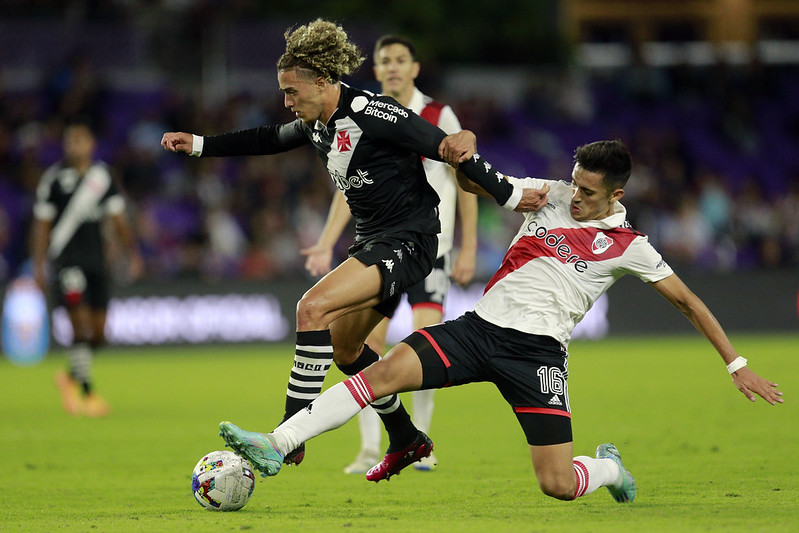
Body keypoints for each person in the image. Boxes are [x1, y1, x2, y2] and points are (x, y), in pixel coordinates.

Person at [218, 139, 783, 501]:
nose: (575, 196)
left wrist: (737, 365)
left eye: (588, 191)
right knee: (380, 373)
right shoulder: (550, 194)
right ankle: (276, 442)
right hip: (478, 329)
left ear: (616, 194)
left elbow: (689, 302)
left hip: (537, 357)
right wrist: (465, 161)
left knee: (557, 484)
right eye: (574, 182)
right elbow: (483, 184)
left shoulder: (631, 246)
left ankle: (610, 470)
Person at [161, 19, 547, 468]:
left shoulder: (372, 111)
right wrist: (199, 144)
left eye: (292, 92)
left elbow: (450, 149)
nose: (286, 102)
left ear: (322, 82)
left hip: (410, 240)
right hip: (374, 242)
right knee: (346, 350)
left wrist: (511, 194)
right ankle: (406, 437)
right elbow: (267, 138)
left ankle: (286, 437)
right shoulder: (316, 124)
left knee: (311, 308)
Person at [301, 34, 478, 474]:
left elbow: (465, 180)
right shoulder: (359, 114)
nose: (394, 67)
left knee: (423, 340)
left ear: (414, 68)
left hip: (431, 247)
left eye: (401, 60)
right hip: (382, 247)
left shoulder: (438, 114)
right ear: (377, 70)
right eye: (386, 61)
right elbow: (348, 188)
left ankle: (422, 441)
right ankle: (369, 446)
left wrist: (469, 247)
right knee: (364, 346)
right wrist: (326, 240)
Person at [32, 119, 143, 417]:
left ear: (92, 144)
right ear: (65, 145)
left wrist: (132, 254)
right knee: (80, 326)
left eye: (81, 140)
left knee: (99, 334)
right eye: (71, 140)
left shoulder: (102, 176)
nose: (76, 146)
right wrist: (38, 266)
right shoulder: (54, 179)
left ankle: (69, 375)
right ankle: (87, 393)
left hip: (97, 262)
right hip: (67, 261)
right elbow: (41, 225)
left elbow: (118, 218)